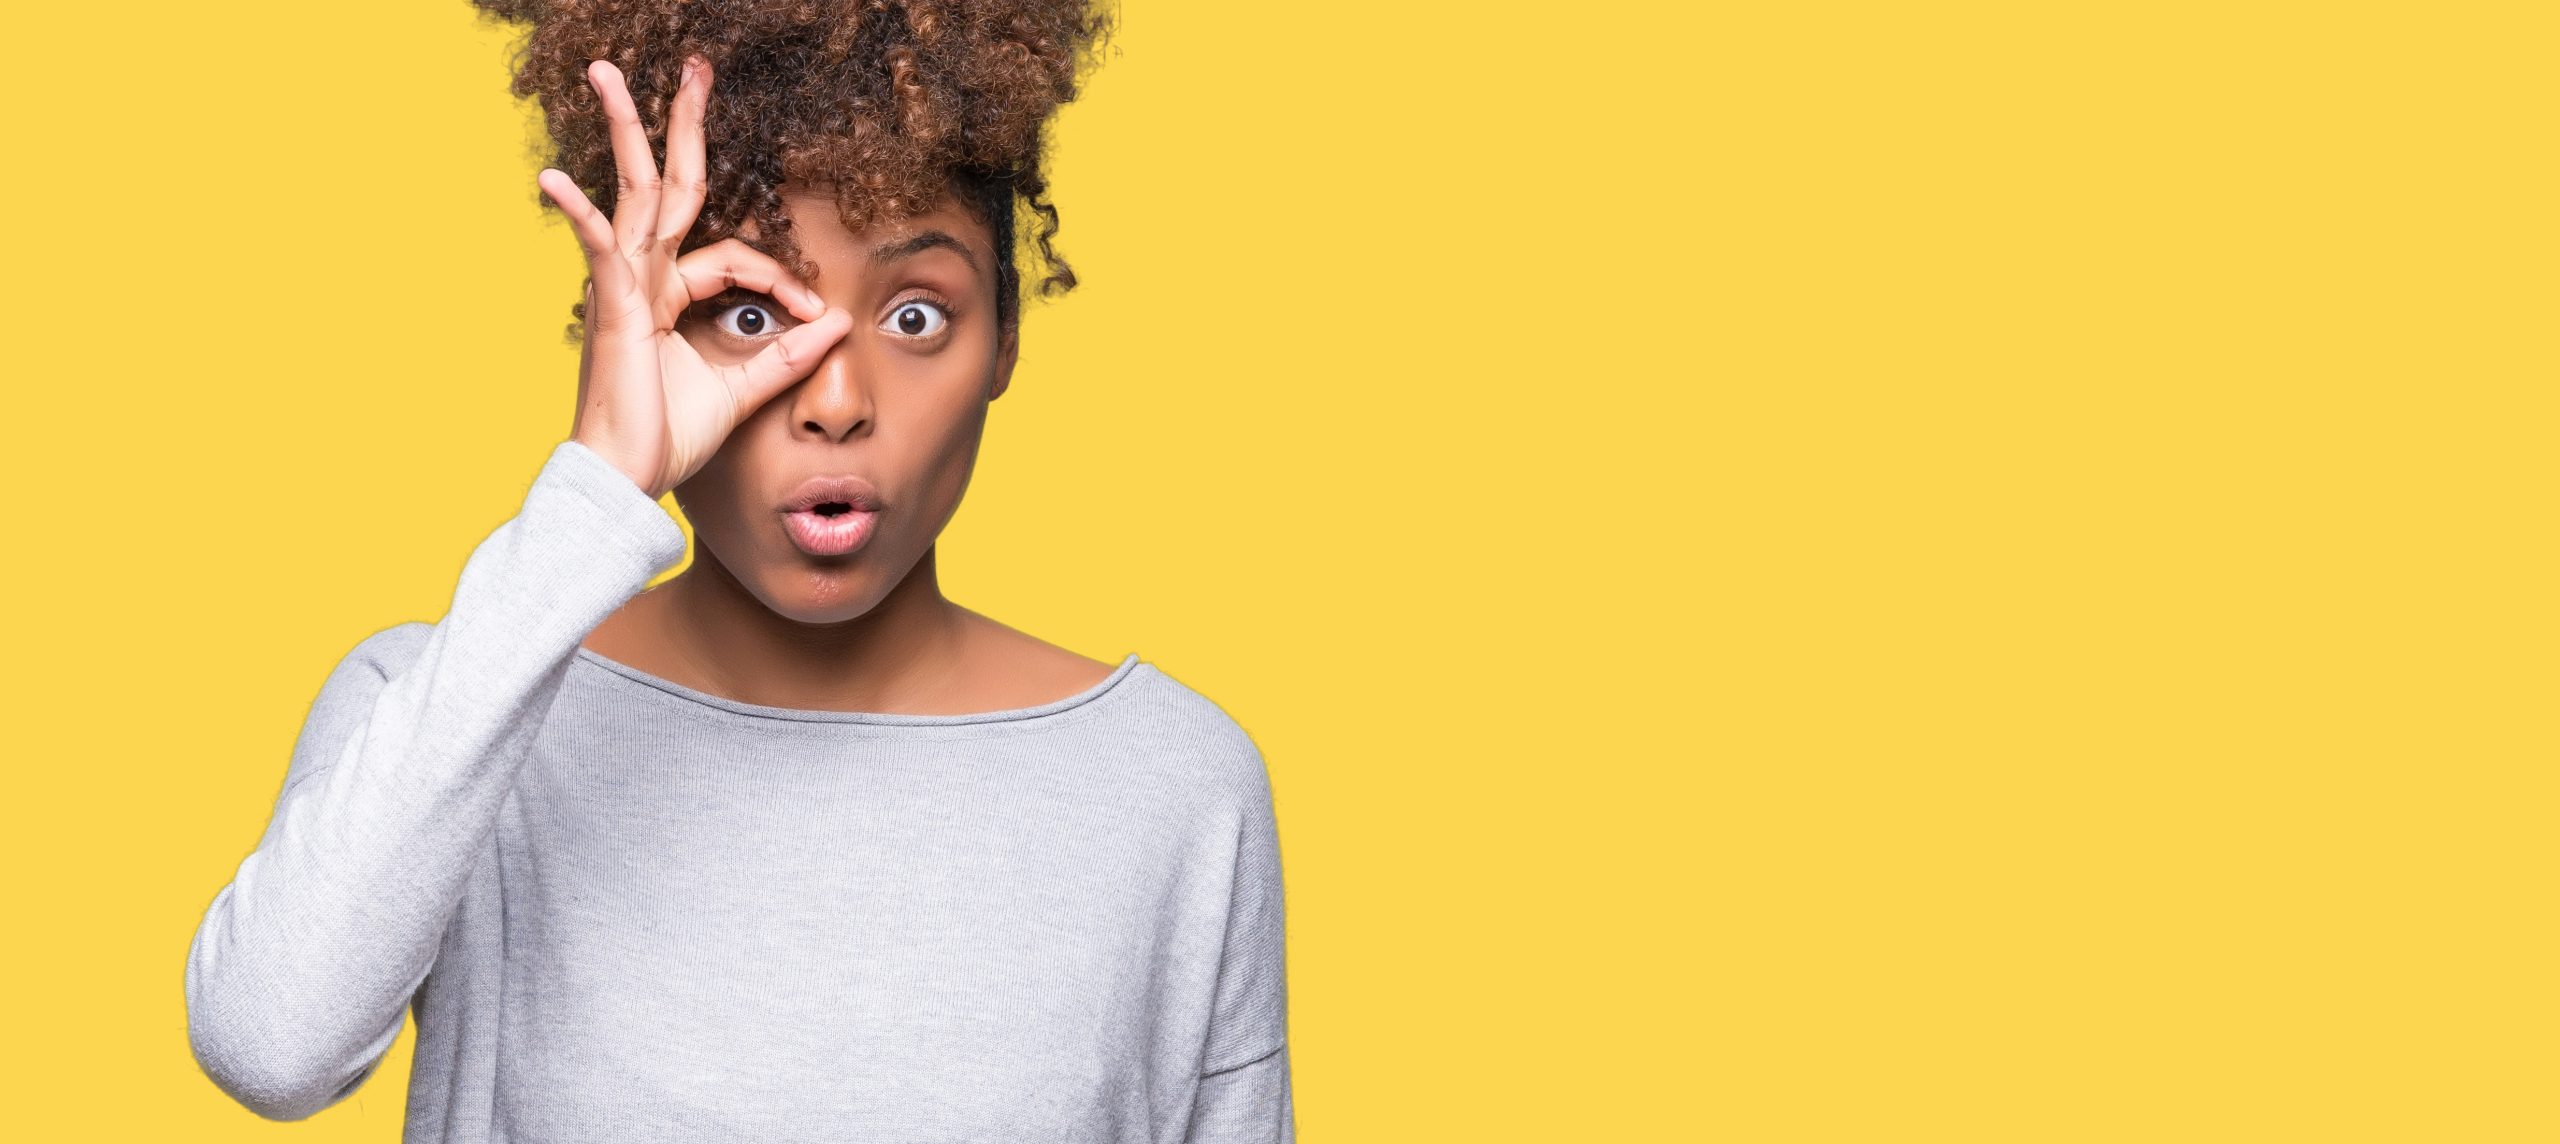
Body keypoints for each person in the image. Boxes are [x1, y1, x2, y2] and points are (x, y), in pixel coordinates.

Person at [182, 4, 1294, 1140]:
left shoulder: (1173, 785)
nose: (835, 400)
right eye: (750, 311)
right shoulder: (451, 711)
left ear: (1004, 337)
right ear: (647, 325)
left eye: (915, 316)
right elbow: (270, 1047)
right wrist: (601, 486)